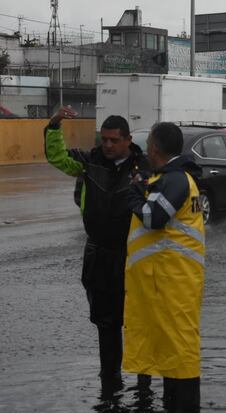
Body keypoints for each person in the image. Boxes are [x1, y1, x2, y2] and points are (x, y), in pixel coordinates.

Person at [44, 106, 148, 386]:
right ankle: (110, 379)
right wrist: (54, 125)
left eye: (114, 140)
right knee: (106, 322)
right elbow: (57, 157)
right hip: (99, 255)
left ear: (128, 140)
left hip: (135, 257)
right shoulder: (90, 161)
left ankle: (144, 384)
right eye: (105, 139)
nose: (108, 145)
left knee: (139, 322)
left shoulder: (144, 167)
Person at [124, 122, 205, 412]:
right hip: (168, 280)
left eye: (149, 144)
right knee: (173, 346)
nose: (146, 150)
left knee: (179, 347)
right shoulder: (171, 178)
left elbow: (154, 218)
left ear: (155, 148)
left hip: (172, 281)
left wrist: (134, 195)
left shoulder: (177, 180)